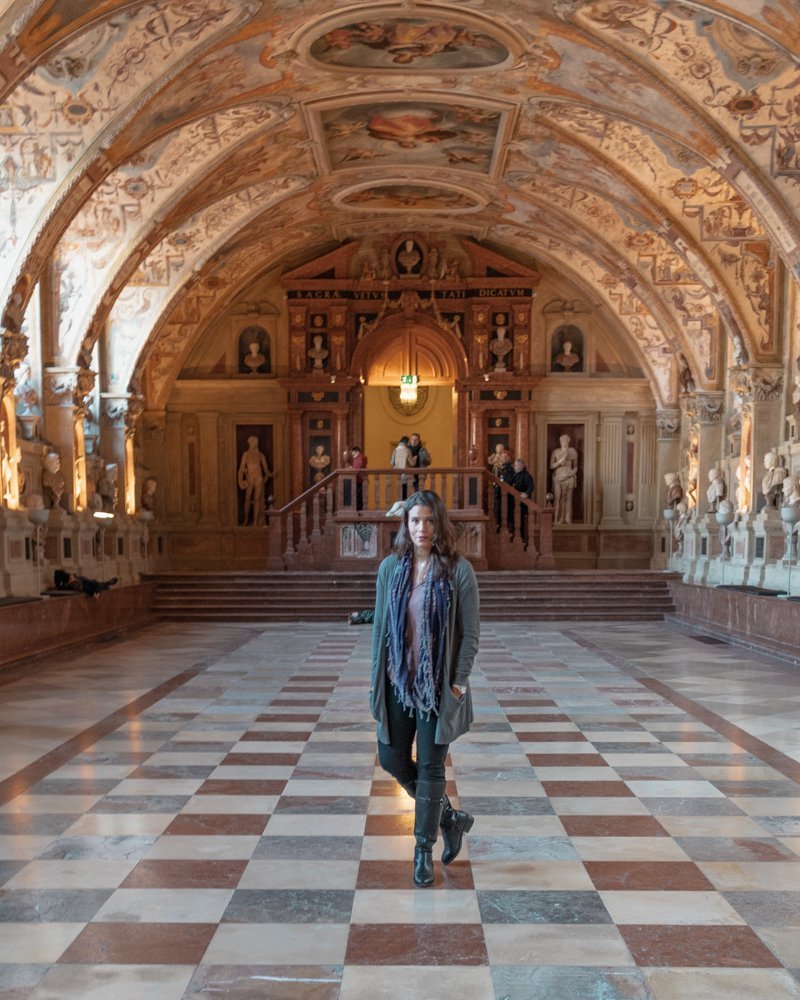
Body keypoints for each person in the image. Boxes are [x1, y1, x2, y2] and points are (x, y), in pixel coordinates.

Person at [370, 490, 480, 886]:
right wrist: (373, 686)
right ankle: (451, 818)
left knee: (432, 767)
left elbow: (469, 635)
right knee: (392, 759)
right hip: (398, 683)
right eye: (416, 521)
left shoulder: (457, 571)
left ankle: (422, 851)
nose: (423, 528)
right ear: (406, 525)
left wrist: (457, 684)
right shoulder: (389, 569)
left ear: (440, 525)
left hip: (437, 688)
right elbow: (381, 631)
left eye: (430, 521)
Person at [238, 436, 271, 525]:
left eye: (255, 442)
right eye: (253, 442)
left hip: (259, 477)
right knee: (248, 498)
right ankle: (246, 519)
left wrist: (270, 474)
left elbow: (266, 470)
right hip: (250, 478)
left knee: (257, 499)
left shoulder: (260, 455)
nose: (254, 444)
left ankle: (255, 521)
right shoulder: (246, 454)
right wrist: (240, 481)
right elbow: (241, 469)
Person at [549, 435, 578, 524]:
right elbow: (551, 466)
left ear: (568, 442)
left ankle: (567, 518)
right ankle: (557, 519)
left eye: (566, 441)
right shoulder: (556, 452)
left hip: (569, 477)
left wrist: (572, 473)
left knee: (568, 498)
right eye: (562, 441)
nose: (564, 443)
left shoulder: (572, 451)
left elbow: (576, 466)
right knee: (558, 497)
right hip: (558, 477)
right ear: (560, 442)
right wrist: (559, 462)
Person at [511, 457, 535, 542]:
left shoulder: (526, 475)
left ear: (521, 466)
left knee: (521, 521)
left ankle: (521, 540)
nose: (514, 467)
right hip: (514, 502)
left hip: (523, 503)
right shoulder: (514, 475)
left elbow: (531, 486)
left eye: (516, 465)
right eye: (515, 465)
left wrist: (526, 493)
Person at [54, 569, 118, 599]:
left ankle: (108, 583)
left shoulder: (81, 581)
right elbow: (56, 572)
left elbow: (94, 583)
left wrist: (97, 592)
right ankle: (107, 584)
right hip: (81, 585)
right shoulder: (64, 583)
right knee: (97, 586)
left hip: (85, 584)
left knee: (97, 584)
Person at [391, 435, 412, 499]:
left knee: (399, 490)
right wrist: (414, 459)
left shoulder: (396, 449)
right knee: (405, 491)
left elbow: (392, 462)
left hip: (398, 473)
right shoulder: (407, 450)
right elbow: (411, 463)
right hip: (406, 472)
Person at [350, 444, 368, 510]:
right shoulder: (357, 458)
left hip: (360, 480)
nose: (352, 454)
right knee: (358, 497)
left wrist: (352, 468)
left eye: (353, 452)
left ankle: (359, 511)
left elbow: (358, 467)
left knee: (359, 497)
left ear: (357, 451)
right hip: (357, 479)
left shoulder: (360, 457)